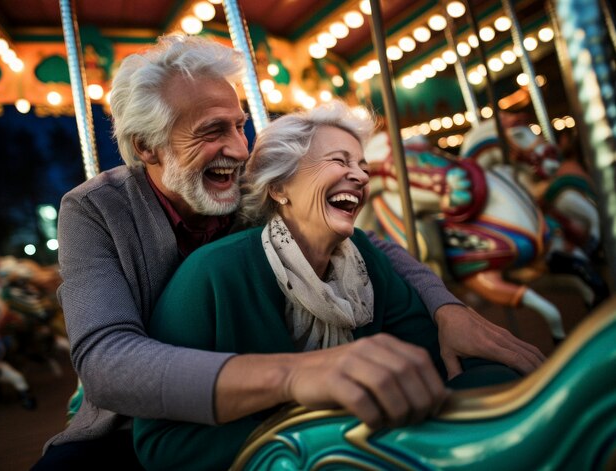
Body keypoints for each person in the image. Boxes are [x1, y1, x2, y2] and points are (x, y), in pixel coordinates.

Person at [32, 34, 544, 470]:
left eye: (239, 124)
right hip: (140, 421)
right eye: (213, 131)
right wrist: (295, 375)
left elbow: (371, 245)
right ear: (148, 147)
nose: (238, 147)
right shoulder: (95, 210)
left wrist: (444, 306)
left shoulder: (244, 185)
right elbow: (106, 360)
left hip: (264, 405)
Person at [133, 102, 526, 470]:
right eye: (339, 161)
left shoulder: (364, 262)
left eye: (362, 166)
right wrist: (324, 431)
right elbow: (161, 443)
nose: (359, 175)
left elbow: (431, 360)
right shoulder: (215, 274)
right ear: (279, 187)